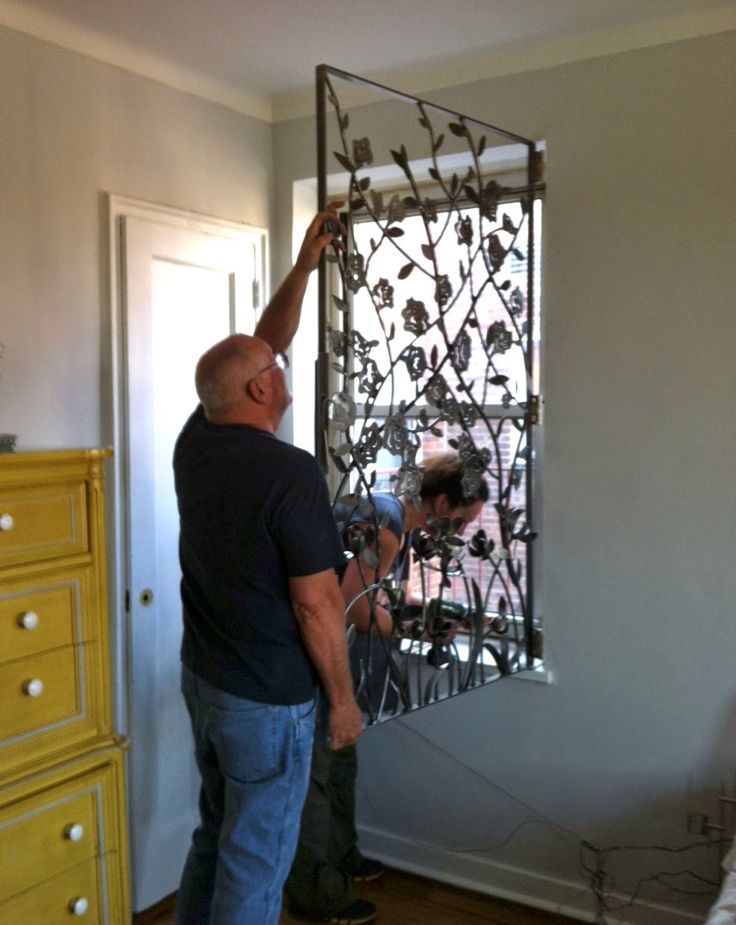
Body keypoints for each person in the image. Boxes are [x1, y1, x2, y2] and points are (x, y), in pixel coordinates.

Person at [173, 208, 363, 925]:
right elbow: (317, 606)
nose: (282, 371)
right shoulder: (291, 473)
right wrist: (342, 702)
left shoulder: (198, 439)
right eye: (277, 372)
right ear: (261, 392)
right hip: (269, 705)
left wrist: (305, 265)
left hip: (208, 684)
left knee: (215, 838)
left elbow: (258, 347)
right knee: (256, 866)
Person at [285, 454, 489, 923]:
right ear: (441, 501)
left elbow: (370, 596)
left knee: (340, 766)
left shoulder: (390, 516)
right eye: (461, 521)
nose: (458, 533)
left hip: (330, 663)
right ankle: (317, 895)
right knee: (318, 780)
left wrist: (419, 617)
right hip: (316, 665)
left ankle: (343, 861)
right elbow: (355, 609)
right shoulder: (388, 527)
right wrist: (409, 627)